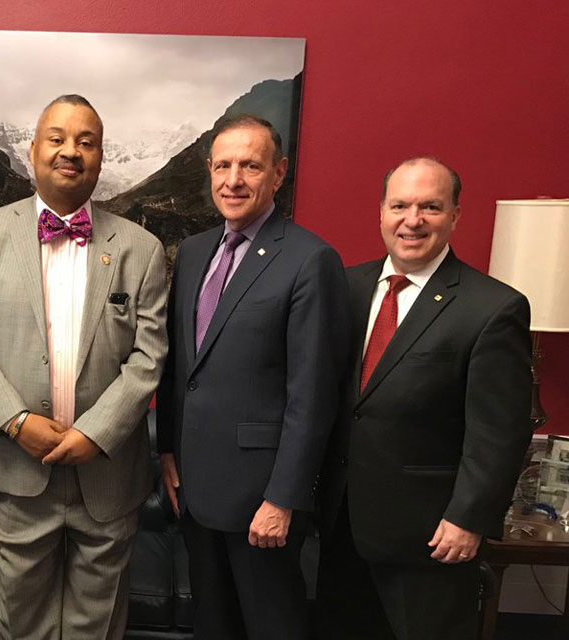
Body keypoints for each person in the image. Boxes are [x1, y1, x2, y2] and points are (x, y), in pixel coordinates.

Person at [0, 94, 167, 639]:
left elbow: (149, 357)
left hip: (108, 474)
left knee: (98, 627)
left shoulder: (143, 248)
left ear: (99, 157)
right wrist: (17, 423)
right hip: (17, 470)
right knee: (20, 625)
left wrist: (97, 433)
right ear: (33, 151)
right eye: (58, 138)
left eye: (86, 142)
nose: (71, 151)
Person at [316, 157, 533, 639]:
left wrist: (468, 518)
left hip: (431, 539)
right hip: (339, 527)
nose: (412, 220)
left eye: (430, 207)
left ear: (455, 215)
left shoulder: (493, 308)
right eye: (400, 205)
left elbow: (499, 431)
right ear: (381, 213)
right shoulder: (343, 288)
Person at [156, 113, 350, 639]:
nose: (233, 180)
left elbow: (312, 395)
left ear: (278, 173)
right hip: (195, 489)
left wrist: (283, 498)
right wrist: (168, 451)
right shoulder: (194, 252)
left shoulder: (311, 260)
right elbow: (181, 366)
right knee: (214, 625)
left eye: (250, 165)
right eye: (223, 166)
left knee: (271, 626)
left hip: (262, 498)